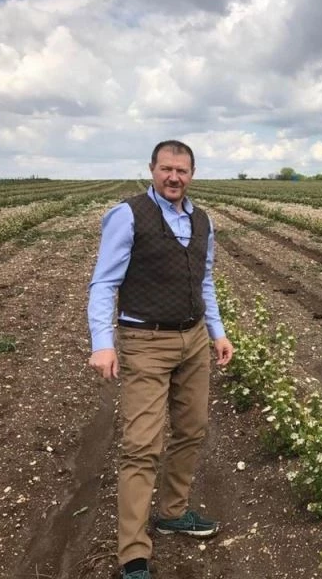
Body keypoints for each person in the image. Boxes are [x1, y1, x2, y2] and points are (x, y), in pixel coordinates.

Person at [88, 140, 234, 579]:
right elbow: (103, 283)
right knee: (141, 446)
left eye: (182, 170)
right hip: (145, 341)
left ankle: (173, 510)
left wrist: (217, 333)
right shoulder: (129, 215)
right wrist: (103, 341)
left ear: (192, 174)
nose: (174, 177)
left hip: (192, 340)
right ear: (152, 169)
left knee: (192, 429)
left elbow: (205, 282)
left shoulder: (202, 219)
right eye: (166, 169)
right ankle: (133, 552)